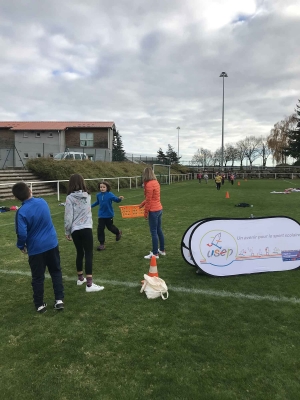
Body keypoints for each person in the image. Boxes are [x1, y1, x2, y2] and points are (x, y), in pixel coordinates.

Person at [12, 182, 64, 313]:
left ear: (17, 198)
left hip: (36, 248)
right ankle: (59, 300)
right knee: (56, 271)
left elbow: (22, 233)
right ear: (29, 190)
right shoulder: (42, 202)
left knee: (38, 277)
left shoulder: (21, 212)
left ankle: (40, 304)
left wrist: (20, 246)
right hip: (51, 243)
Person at [65, 174, 104, 292]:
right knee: (88, 254)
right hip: (86, 228)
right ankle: (89, 284)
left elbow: (68, 216)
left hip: (75, 229)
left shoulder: (69, 198)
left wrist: (67, 230)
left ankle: (80, 278)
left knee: (79, 253)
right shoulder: (87, 195)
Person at [139, 167, 166, 259]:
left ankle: (155, 253)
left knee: (154, 232)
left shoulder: (149, 184)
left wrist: (145, 212)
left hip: (153, 210)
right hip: (159, 209)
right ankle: (162, 250)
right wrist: (142, 204)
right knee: (159, 230)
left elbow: (149, 200)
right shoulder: (156, 182)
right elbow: (151, 198)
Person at [91, 181, 124, 251]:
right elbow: (97, 202)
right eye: (100, 187)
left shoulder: (110, 194)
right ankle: (102, 244)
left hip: (109, 215)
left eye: (103, 187)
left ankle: (118, 232)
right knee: (100, 229)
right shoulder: (98, 195)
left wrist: (119, 199)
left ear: (107, 188)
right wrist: (90, 206)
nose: (102, 188)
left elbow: (116, 200)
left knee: (110, 227)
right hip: (101, 215)